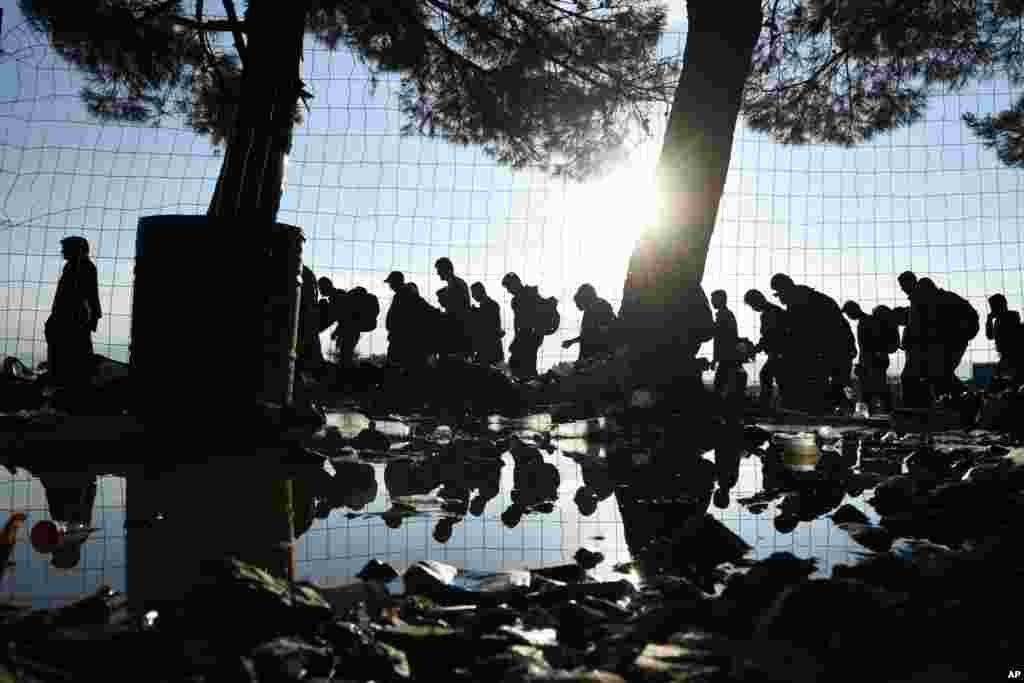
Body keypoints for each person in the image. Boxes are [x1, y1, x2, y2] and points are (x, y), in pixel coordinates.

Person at [770, 273, 851, 413]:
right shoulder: (810, 299)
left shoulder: (801, 304)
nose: (780, 300)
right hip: (832, 352)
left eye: (779, 295)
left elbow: (802, 337)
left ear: (785, 290)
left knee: (817, 397)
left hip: (826, 354)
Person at [45, 236, 101, 391]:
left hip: (72, 318)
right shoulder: (78, 266)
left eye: (66, 248)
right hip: (73, 318)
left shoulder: (79, 267)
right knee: (76, 355)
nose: (62, 251)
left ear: (77, 250)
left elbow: (83, 295)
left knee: (72, 355)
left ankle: (71, 388)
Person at [842, 301, 896, 414]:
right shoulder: (868, 321)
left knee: (872, 393)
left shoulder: (866, 322)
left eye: (848, 313)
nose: (849, 316)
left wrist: (863, 365)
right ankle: (888, 415)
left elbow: (868, 347)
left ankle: (885, 416)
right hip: (875, 363)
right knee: (878, 392)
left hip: (871, 364)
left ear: (853, 311)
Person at [744, 289, 790, 409]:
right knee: (778, 378)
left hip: (778, 352)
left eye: (752, 305)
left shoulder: (769, 314)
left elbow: (769, 336)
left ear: (756, 301)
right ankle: (780, 405)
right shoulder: (774, 311)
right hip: (781, 352)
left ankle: (765, 405)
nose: (753, 308)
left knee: (767, 375)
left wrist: (755, 349)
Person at [502, 272, 545, 380]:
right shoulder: (529, 294)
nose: (508, 291)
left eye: (508, 287)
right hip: (530, 338)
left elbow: (523, 323)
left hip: (527, 339)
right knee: (526, 370)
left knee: (522, 371)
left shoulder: (523, 298)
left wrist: (517, 341)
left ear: (515, 283)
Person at [561, 283, 616, 362]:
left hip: (597, 359)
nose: (581, 308)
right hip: (590, 357)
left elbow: (601, 336)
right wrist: (572, 341)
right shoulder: (591, 308)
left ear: (586, 299)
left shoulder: (602, 309)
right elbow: (588, 334)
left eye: (581, 304)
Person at [435, 257, 472, 358]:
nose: (438, 273)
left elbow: (456, 310)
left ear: (446, 269)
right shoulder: (457, 283)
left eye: (439, 270)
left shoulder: (455, 284)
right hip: (460, 332)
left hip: (457, 334)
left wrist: (443, 302)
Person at [710, 290, 741, 397]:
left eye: (713, 299)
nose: (711, 302)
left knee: (719, 385)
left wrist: (715, 358)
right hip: (729, 356)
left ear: (720, 300)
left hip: (726, 357)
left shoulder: (723, 316)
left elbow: (719, 340)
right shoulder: (727, 314)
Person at [986, 293, 1021, 380]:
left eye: (993, 306)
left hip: (1012, 356)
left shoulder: (1010, 317)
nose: (992, 309)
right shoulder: (999, 319)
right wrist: (989, 320)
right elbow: (990, 336)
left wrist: (989, 320)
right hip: (1007, 357)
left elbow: (990, 336)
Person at [469, 282, 504, 365]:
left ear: (480, 292)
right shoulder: (491, 305)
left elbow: (487, 326)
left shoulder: (490, 306)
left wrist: (476, 314)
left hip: (489, 349)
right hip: (492, 349)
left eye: (473, 293)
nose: (473, 296)